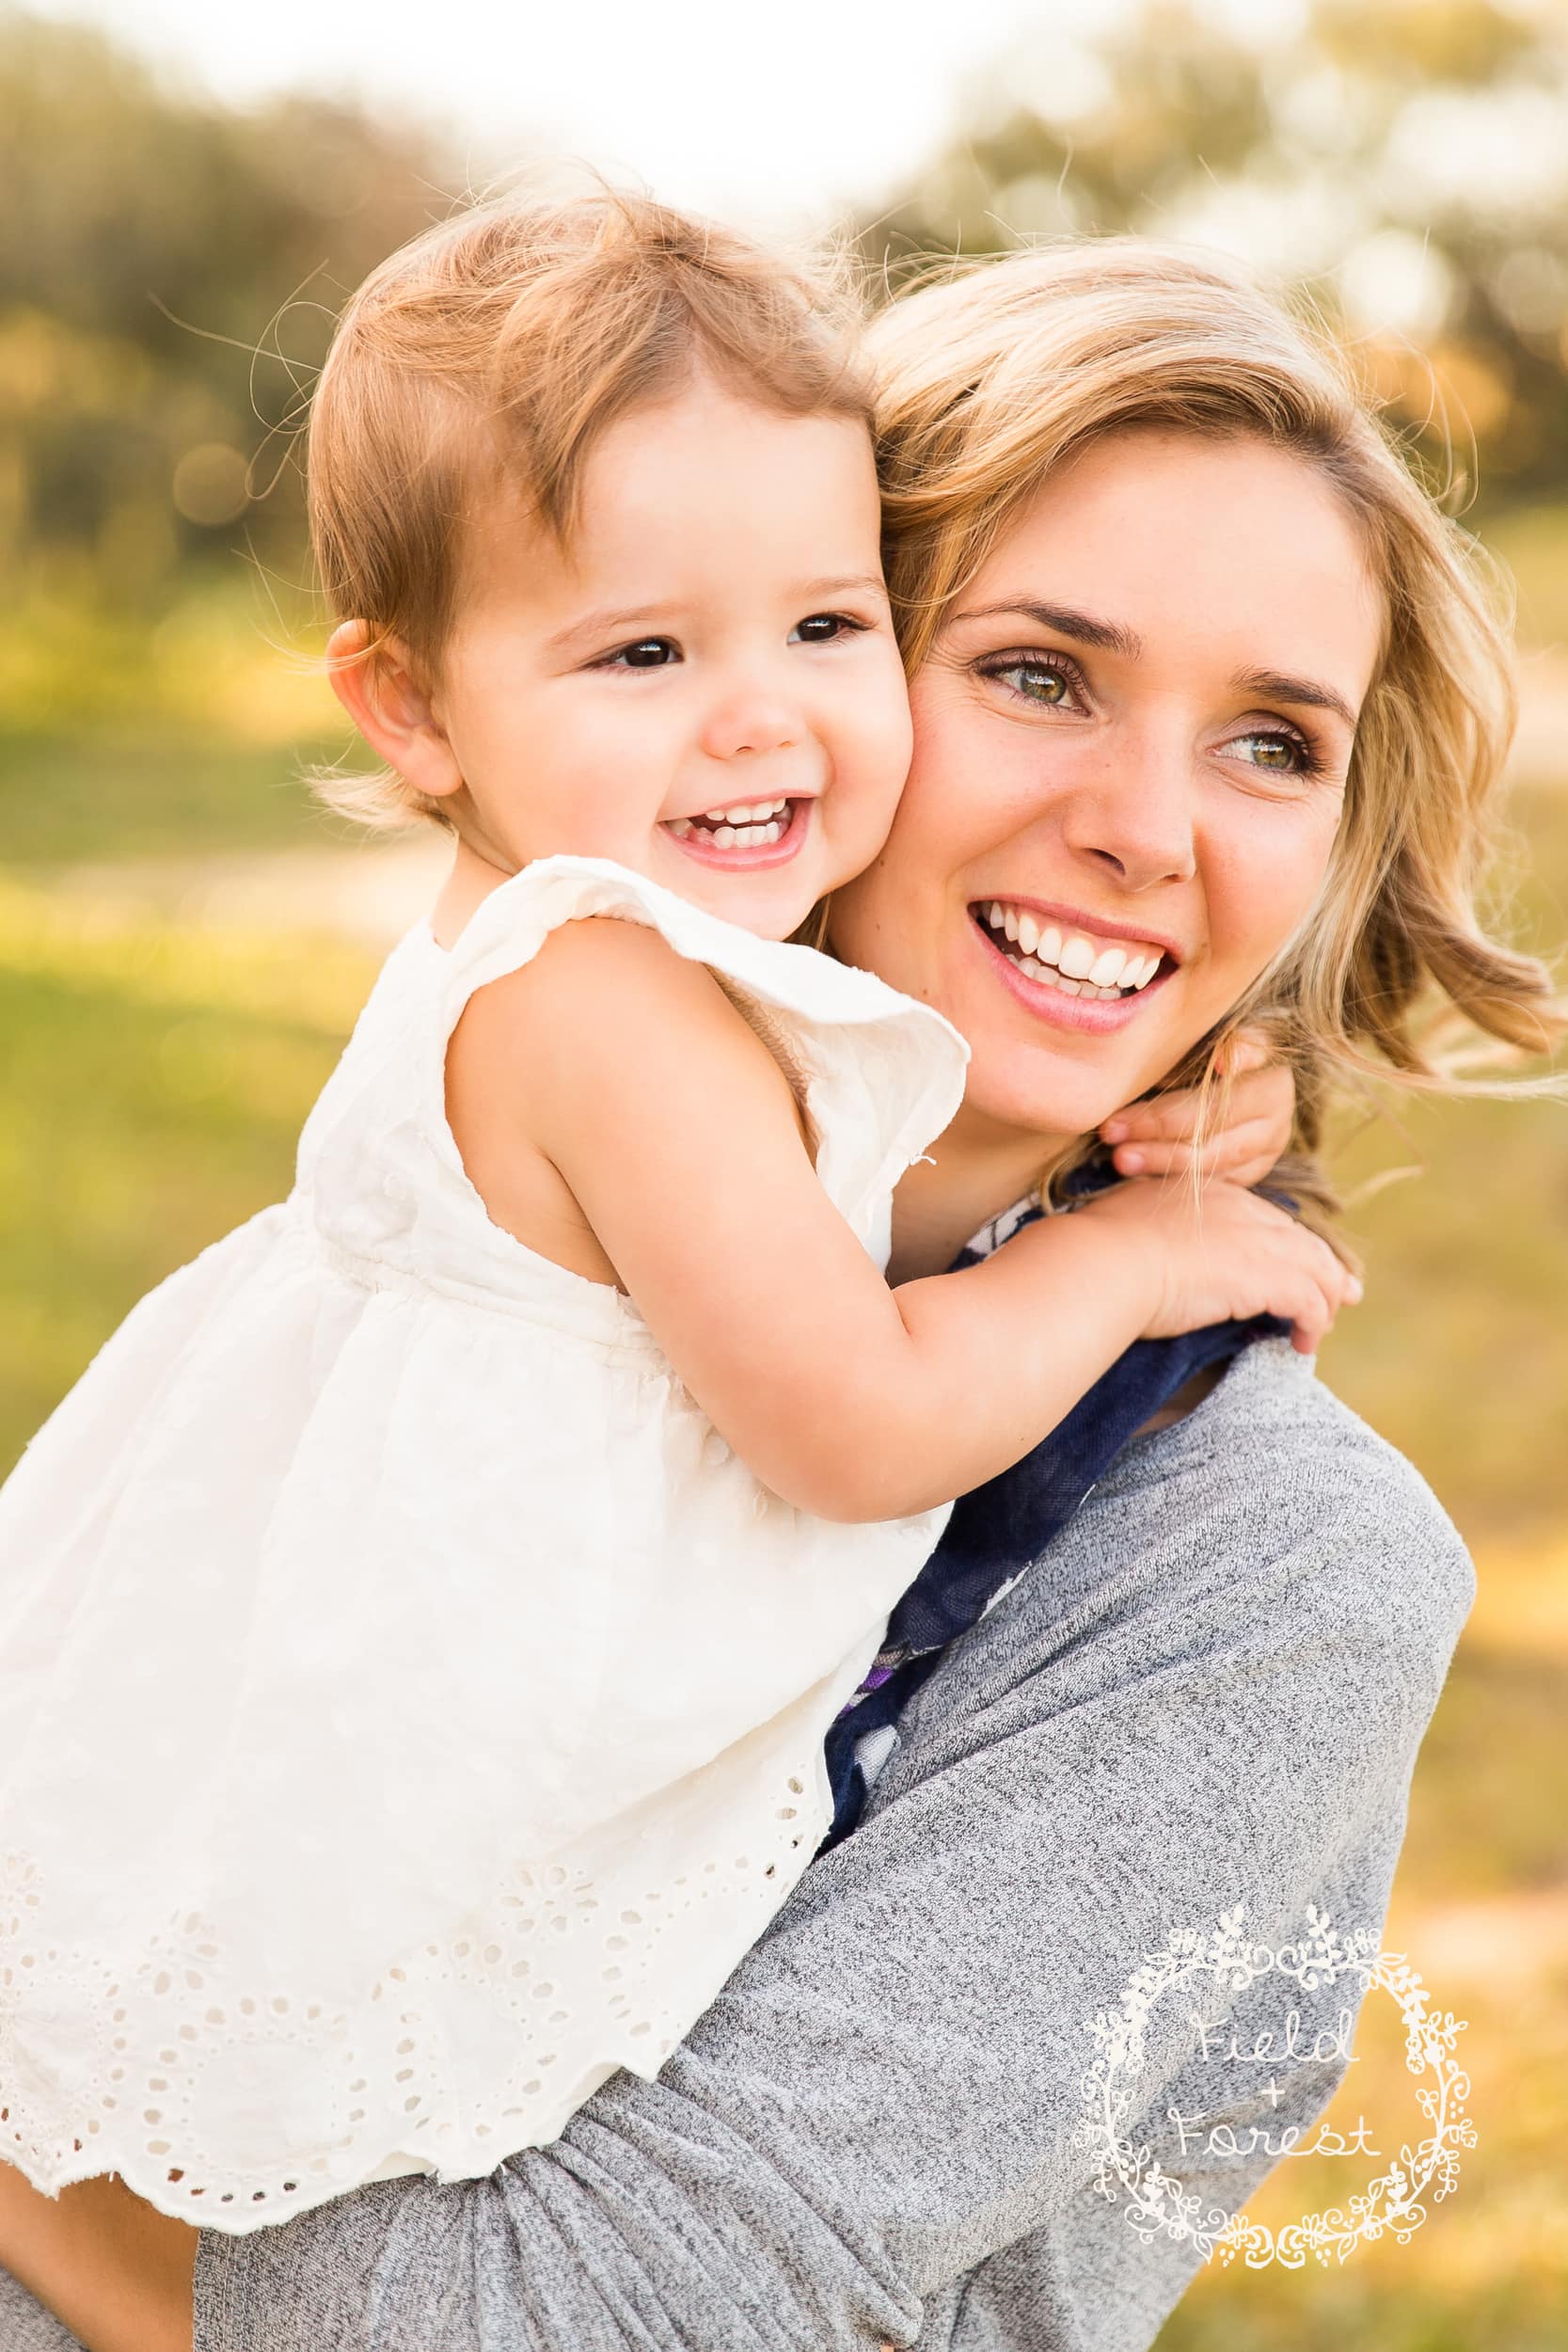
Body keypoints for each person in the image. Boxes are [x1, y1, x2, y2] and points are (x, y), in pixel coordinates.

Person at [1, 235, 1557, 2352]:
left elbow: (611, 2313)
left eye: (1272, 744)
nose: (1143, 828)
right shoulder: (518, 1259)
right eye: (1035, 673)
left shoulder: (1267, 1557)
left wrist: (48, 2201)